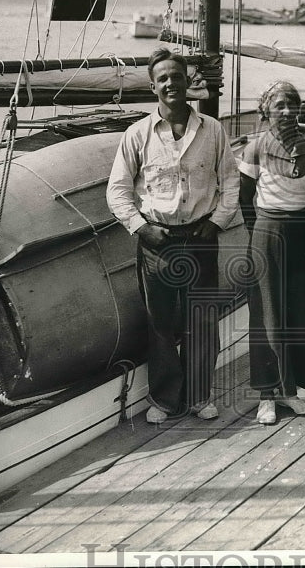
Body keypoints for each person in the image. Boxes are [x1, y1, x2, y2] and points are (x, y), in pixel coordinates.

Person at [106, 48, 242, 423]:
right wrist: (140, 227)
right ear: (153, 86)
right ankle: (165, 399)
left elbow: (230, 183)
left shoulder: (212, 130)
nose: (171, 84)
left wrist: (216, 223)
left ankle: (199, 396)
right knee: (161, 322)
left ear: (188, 82)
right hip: (157, 241)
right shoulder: (137, 135)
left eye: (177, 77)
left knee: (201, 318)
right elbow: (117, 190)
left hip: (201, 236)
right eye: (163, 78)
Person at [239, 81, 305, 425]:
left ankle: (291, 391)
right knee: (267, 315)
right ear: (265, 111)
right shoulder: (254, 148)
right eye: (278, 105)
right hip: (267, 233)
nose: (286, 112)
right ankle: (266, 396)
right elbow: (245, 199)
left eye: (292, 104)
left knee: (302, 312)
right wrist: (260, 236)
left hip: (304, 233)